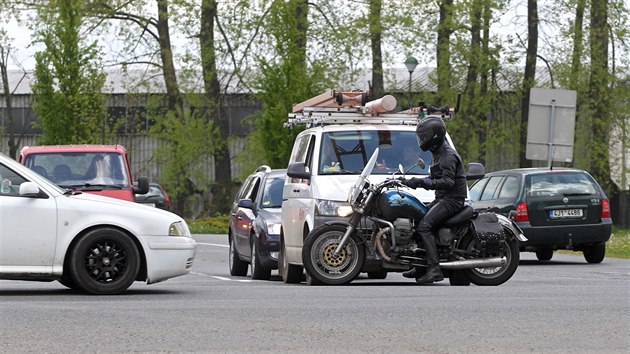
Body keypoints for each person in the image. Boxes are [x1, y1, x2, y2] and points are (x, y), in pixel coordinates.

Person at [399, 114, 467, 284]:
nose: (422, 140)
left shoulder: (447, 155)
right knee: (417, 220)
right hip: (443, 198)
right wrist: (408, 182)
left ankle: (435, 270)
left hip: (452, 200)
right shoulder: (438, 154)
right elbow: (435, 178)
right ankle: (421, 266)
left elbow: (447, 182)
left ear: (434, 136)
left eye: (424, 137)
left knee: (424, 226)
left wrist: (422, 182)